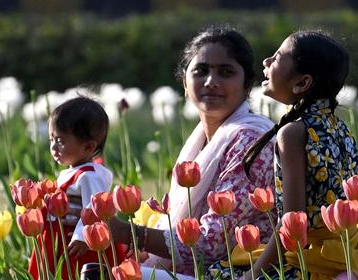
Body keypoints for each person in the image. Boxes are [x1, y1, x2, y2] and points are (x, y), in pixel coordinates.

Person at [108, 26, 277, 279]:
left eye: (226, 72)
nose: (211, 82)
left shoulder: (252, 141)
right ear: (184, 84)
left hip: (239, 273)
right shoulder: (203, 142)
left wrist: (130, 234)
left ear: (246, 86)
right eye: (201, 71)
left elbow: (211, 244)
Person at [240, 31, 358, 279]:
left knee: (218, 272)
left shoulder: (294, 132)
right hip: (346, 259)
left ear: (301, 83)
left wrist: (251, 276)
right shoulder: (340, 128)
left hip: (308, 266)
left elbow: (292, 224)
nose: (266, 61)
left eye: (276, 58)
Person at [29, 96, 128, 280]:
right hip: (59, 234)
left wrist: (83, 237)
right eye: (52, 139)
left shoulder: (88, 176)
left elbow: (95, 209)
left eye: (61, 140)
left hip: (76, 242)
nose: (53, 147)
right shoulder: (74, 171)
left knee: (72, 273)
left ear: (88, 147)